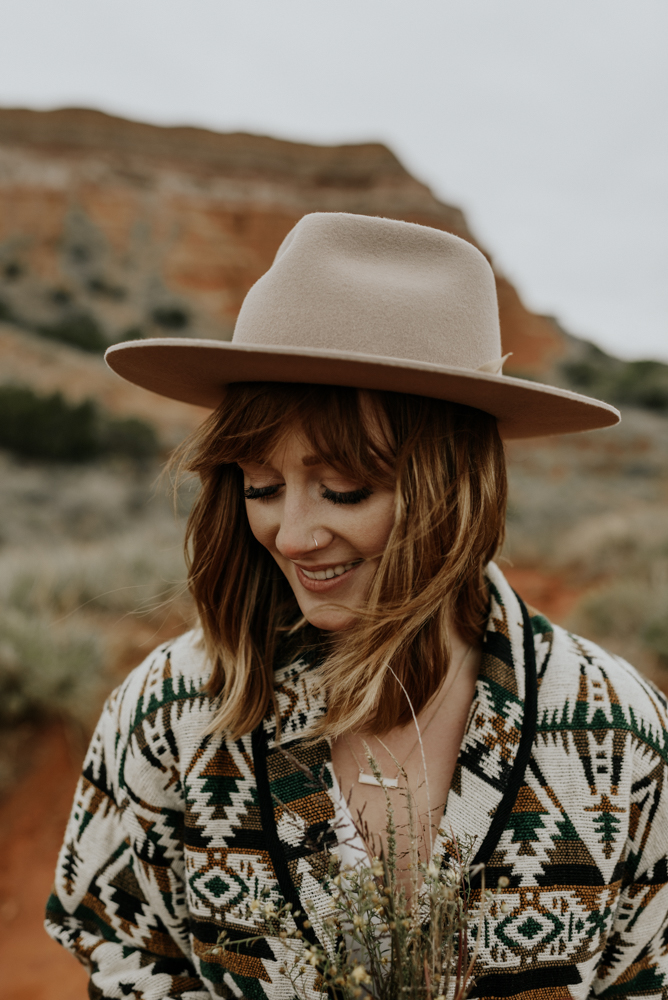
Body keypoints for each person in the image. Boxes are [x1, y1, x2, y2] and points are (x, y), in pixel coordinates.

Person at [45, 213, 668, 1000]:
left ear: (458, 483)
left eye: (345, 488)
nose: (293, 533)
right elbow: (115, 946)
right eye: (261, 485)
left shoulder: (620, 735)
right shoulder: (170, 714)